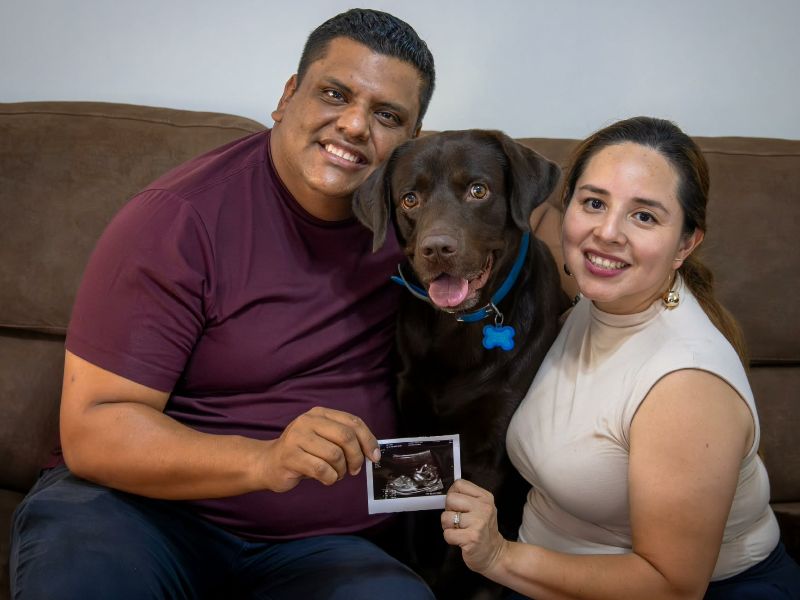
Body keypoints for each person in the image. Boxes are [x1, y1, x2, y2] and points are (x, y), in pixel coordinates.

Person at [10, 9, 437, 599]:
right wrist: (265, 461)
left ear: (412, 143)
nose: (355, 126)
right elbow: (93, 430)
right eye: (334, 94)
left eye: (387, 115)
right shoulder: (180, 218)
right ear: (287, 96)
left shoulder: (421, 232)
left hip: (323, 552)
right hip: (145, 517)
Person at [440, 116, 800, 599]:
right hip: (542, 575)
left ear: (686, 243)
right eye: (593, 202)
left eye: (644, 215)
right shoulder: (596, 301)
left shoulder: (686, 384)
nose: (607, 232)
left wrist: (499, 556)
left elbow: (671, 586)